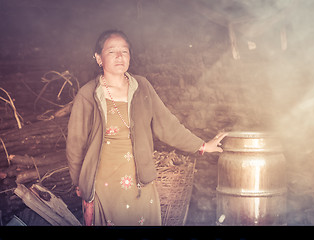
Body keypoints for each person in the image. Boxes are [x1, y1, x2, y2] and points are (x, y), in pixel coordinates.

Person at [66, 29, 227, 226]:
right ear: (99, 58)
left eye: (124, 51)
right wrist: (80, 182)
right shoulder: (88, 94)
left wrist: (202, 146)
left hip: (139, 180)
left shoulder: (142, 87)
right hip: (104, 183)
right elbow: (75, 144)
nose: (119, 56)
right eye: (111, 51)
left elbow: (167, 124)